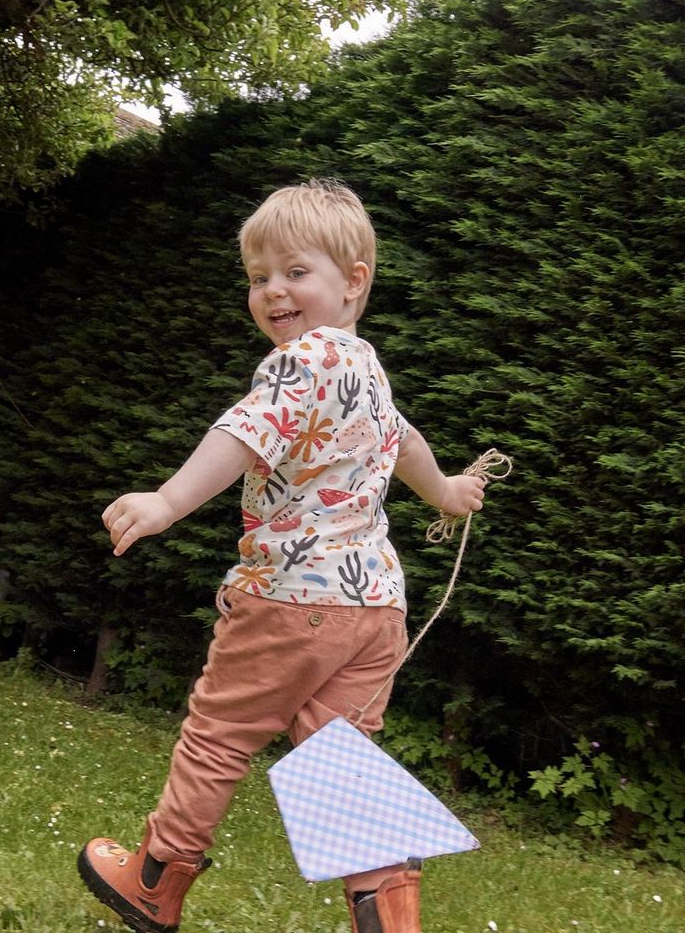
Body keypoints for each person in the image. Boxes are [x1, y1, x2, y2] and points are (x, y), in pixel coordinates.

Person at [78, 179, 485, 933]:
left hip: (290, 598)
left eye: (295, 272)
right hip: (373, 611)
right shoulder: (364, 365)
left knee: (218, 737)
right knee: (341, 760)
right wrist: (448, 492)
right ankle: (386, 912)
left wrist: (167, 501)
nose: (273, 291)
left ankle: (154, 880)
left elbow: (246, 430)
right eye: (259, 277)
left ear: (353, 281)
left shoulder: (303, 361)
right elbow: (406, 442)